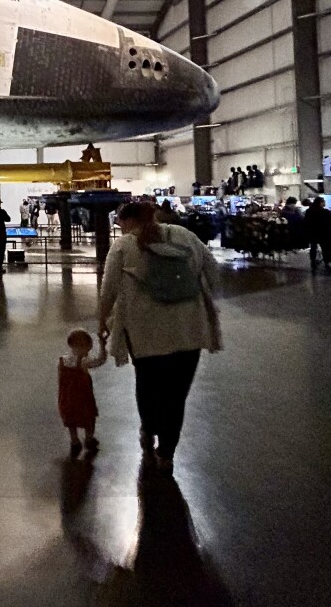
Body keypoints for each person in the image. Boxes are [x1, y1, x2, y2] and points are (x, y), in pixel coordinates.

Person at [98, 201, 222, 475]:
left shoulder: (122, 246)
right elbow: (213, 271)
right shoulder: (185, 236)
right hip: (190, 327)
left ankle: (149, 428)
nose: (119, 227)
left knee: (147, 383)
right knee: (176, 395)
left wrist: (102, 321)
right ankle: (166, 453)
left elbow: (108, 290)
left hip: (144, 330)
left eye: (120, 222)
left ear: (129, 221)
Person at [58, 329, 107, 455]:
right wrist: (103, 345)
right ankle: (89, 438)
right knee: (89, 419)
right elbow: (100, 360)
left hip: (67, 398)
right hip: (83, 398)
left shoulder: (62, 361)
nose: (89, 351)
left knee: (71, 420)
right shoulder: (84, 362)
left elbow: (60, 381)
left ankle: (74, 440)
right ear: (85, 346)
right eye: (89, 347)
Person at [303, 197, 331, 273]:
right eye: (323, 202)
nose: (324, 203)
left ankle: (313, 262)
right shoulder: (324, 211)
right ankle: (327, 262)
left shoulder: (309, 211)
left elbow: (306, 222)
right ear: (320, 202)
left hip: (312, 232)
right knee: (325, 248)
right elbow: (330, 220)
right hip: (323, 232)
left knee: (313, 247)